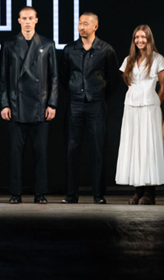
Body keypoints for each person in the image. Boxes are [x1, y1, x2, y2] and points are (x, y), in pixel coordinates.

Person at [0, 7, 58, 204]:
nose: (27, 21)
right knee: (16, 154)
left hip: (40, 106)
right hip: (16, 106)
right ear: (18, 20)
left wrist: (52, 103)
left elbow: (54, 77)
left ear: (36, 20)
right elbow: (3, 79)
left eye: (30, 18)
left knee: (40, 153)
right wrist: (5, 104)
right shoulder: (8, 45)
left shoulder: (48, 45)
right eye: (24, 18)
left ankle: (40, 193)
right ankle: (15, 193)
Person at [59, 12, 120, 204]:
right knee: (72, 149)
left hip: (96, 104)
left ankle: (98, 195)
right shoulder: (70, 49)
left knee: (98, 150)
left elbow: (113, 80)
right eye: (79, 23)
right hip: (75, 103)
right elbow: (63, 76)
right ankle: (71, 194)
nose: (81, 26)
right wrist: (74, 91)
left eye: (85, 23)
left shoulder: (105, 50)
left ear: (95, 26)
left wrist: (100, 94)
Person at [115, 25, 164, 205]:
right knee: (134, 147)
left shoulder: (158, 59)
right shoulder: (129, 60)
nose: (140, 40)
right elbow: (129, 83)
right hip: (131, 107)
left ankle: (149, 192)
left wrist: (156, 102)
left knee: (149, 147)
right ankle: (137, 191)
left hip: (149, 107)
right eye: (136, 37)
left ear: (149, 39)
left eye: (143, 37)